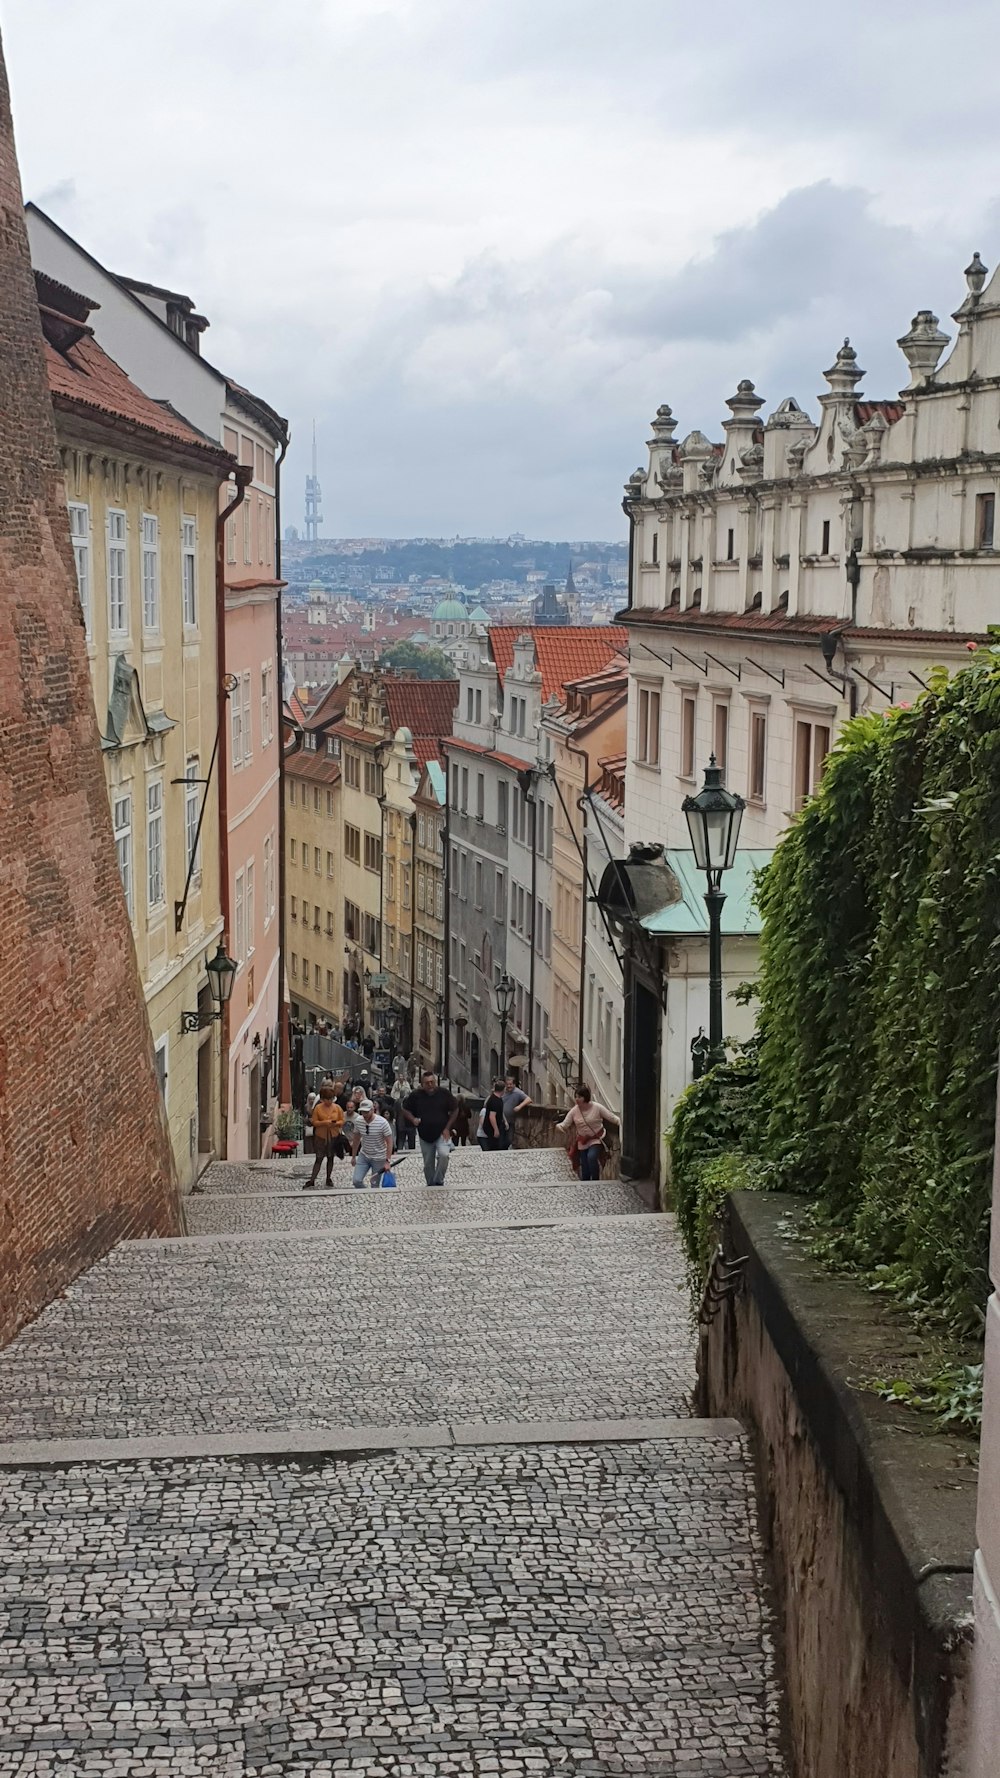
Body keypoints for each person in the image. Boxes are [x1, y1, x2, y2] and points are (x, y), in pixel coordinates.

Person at [402, 1070, 458, 1187]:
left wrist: (448, 1128)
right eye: (427, 1083)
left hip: (442, 1133)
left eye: (432, 1082)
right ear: (422, 1084)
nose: (430, 1085)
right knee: (428, 1164)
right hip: (425, 1135)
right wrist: (413, 1119)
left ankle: (438, 1181)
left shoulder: (444, 1093)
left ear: (436, 1082)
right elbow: (405, 1109)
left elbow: (455, 1109)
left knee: (444, 1155)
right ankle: (431, 1185)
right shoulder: (416, 1095)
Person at [556, 1084, 618, 1182]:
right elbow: (565, 1124)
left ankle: (595, 1181)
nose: (577, 1099)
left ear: (585, 1097)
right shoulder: (574, 1111)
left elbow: (611, 1117)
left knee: (591, 1157)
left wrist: (621, 1123)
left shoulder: (597, 1107)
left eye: (579, 1097)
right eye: (576, 1096)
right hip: (582, 1141)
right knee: (584, 1166)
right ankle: (586, 1184)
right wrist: (559, 1127)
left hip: (597, 1138)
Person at [306, 1083, 346, 1189]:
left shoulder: (337, 1108)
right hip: (321, 1136)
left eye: (331, 1099)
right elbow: (314, 1122)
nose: (329, 1101)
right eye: (327, 1099)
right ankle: (312, 1179)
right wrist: (325, 1123)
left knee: (330, 1157)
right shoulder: (318, 1108)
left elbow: (342, 1120)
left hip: (333, 1136)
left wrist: (335, 1123)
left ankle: (328, 1178)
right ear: (322, 1099)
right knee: (319, 1158)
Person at [351, 1098, 394, 1189]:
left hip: (379, 1157)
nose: (364, 1114)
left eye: (366, 1112)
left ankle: (373, 1198)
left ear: (372, 1110)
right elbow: (356, 1139)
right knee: (356, 1181)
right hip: (364, 1155)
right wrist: (354, 1156)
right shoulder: (359, 1121)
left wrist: (387, 1161)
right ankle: (365, 1192)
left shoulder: (382, 1122)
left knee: (375, 1184)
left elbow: (389, 1142)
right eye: (362, 1112)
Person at [501, 1075, 532, 1149]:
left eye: (510, 1084)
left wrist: (519, 1106)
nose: (509, 1086)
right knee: (500, 1139)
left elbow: (528, 1099)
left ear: (514, 1084)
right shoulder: (502, 1091)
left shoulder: (517, 1092)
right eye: (507, 1084)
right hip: (500, 1119)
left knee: (509, 1139)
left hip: (510, 1120)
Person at [481, 1080, 508, 1151]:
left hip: (497, 1124)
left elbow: (500, 1112)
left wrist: (505, 1121)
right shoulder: (494, 1101)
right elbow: (492, 1116)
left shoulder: (498, 1099)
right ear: (502, 1089)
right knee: (495, 1146)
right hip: (491, 1127)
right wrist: (496, 1129)